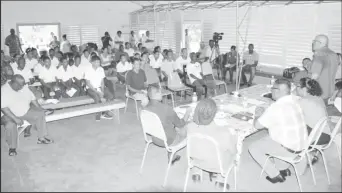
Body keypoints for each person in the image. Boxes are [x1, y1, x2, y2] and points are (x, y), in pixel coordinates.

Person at [249, 79, 308, 184]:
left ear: (277, 91)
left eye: (272, 88)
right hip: (302, 146)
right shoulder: (295, 101)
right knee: (269, 137)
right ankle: (284, 167)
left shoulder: (276, 107)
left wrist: (258, 115)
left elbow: (257, 126)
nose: (271, 91)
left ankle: (275, 175)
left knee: (253, 147)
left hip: (289, 148)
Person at [187, 98, 238, 190]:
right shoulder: (225, 132)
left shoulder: (190, 127)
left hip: (196, 160)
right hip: (217, 165)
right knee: (231, 154)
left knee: (199, 147)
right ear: (214, 114)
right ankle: (220, 180)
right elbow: (233, 151)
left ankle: (196, 173)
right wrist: (234, 137)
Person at [1, 74, 53, 156]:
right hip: (9, 115)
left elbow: (33, 99)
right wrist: (15, 118)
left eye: (23, 85)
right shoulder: (4, 90)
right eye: (20, 86)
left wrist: (41, 109)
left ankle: (41, 138)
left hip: (25, 111)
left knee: (40, 114)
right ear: (14, 83)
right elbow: (4, 108)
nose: (22, 87)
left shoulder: (23, 87)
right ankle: (12, 148)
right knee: (10, 125)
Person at [144, 85, 191, 164]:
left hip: (155, 137)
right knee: (189, 125)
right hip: (168, 140)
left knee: (172, 125)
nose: (162, 94)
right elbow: (181, 124)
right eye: (160, 93)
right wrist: (187, 113)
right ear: (156, 95)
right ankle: (175, 151)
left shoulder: (145, 108)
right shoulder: (166, 108)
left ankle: (172, 156)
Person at [84, 55, 115, 121]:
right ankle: (98, 116)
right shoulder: (88, 70)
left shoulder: (101, 69)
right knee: (97, 98)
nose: (98, 63)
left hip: (100, 87)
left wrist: (102, 92)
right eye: (96, 62)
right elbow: (88, 84)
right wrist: (98, 92)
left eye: (99, 62)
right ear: (92, 62)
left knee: (110, 95)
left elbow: (102, 82)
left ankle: (105, 111)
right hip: (91, 89)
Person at [311, 34, 339, 101]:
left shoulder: (319, 54)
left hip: (319, 92)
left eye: (314, 41)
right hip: (331, 91)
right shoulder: (334, 54)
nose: (313, 43)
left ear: (319, 43)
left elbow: (315, 76)